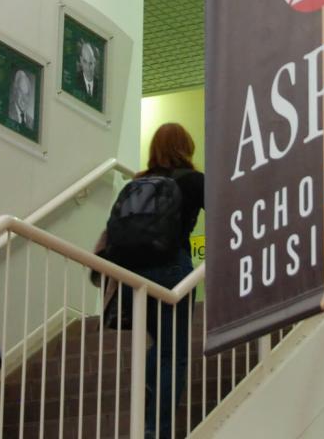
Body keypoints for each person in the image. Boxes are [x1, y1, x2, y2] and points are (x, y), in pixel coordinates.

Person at [117, 123, 203, 439]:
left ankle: (148, 394)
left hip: (132, 277)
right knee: (173, 353)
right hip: (171, 270)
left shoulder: (138, 182)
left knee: (159, 347)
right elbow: (224, 213)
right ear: (186, 148)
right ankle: (156, 429)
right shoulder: (193, 180)